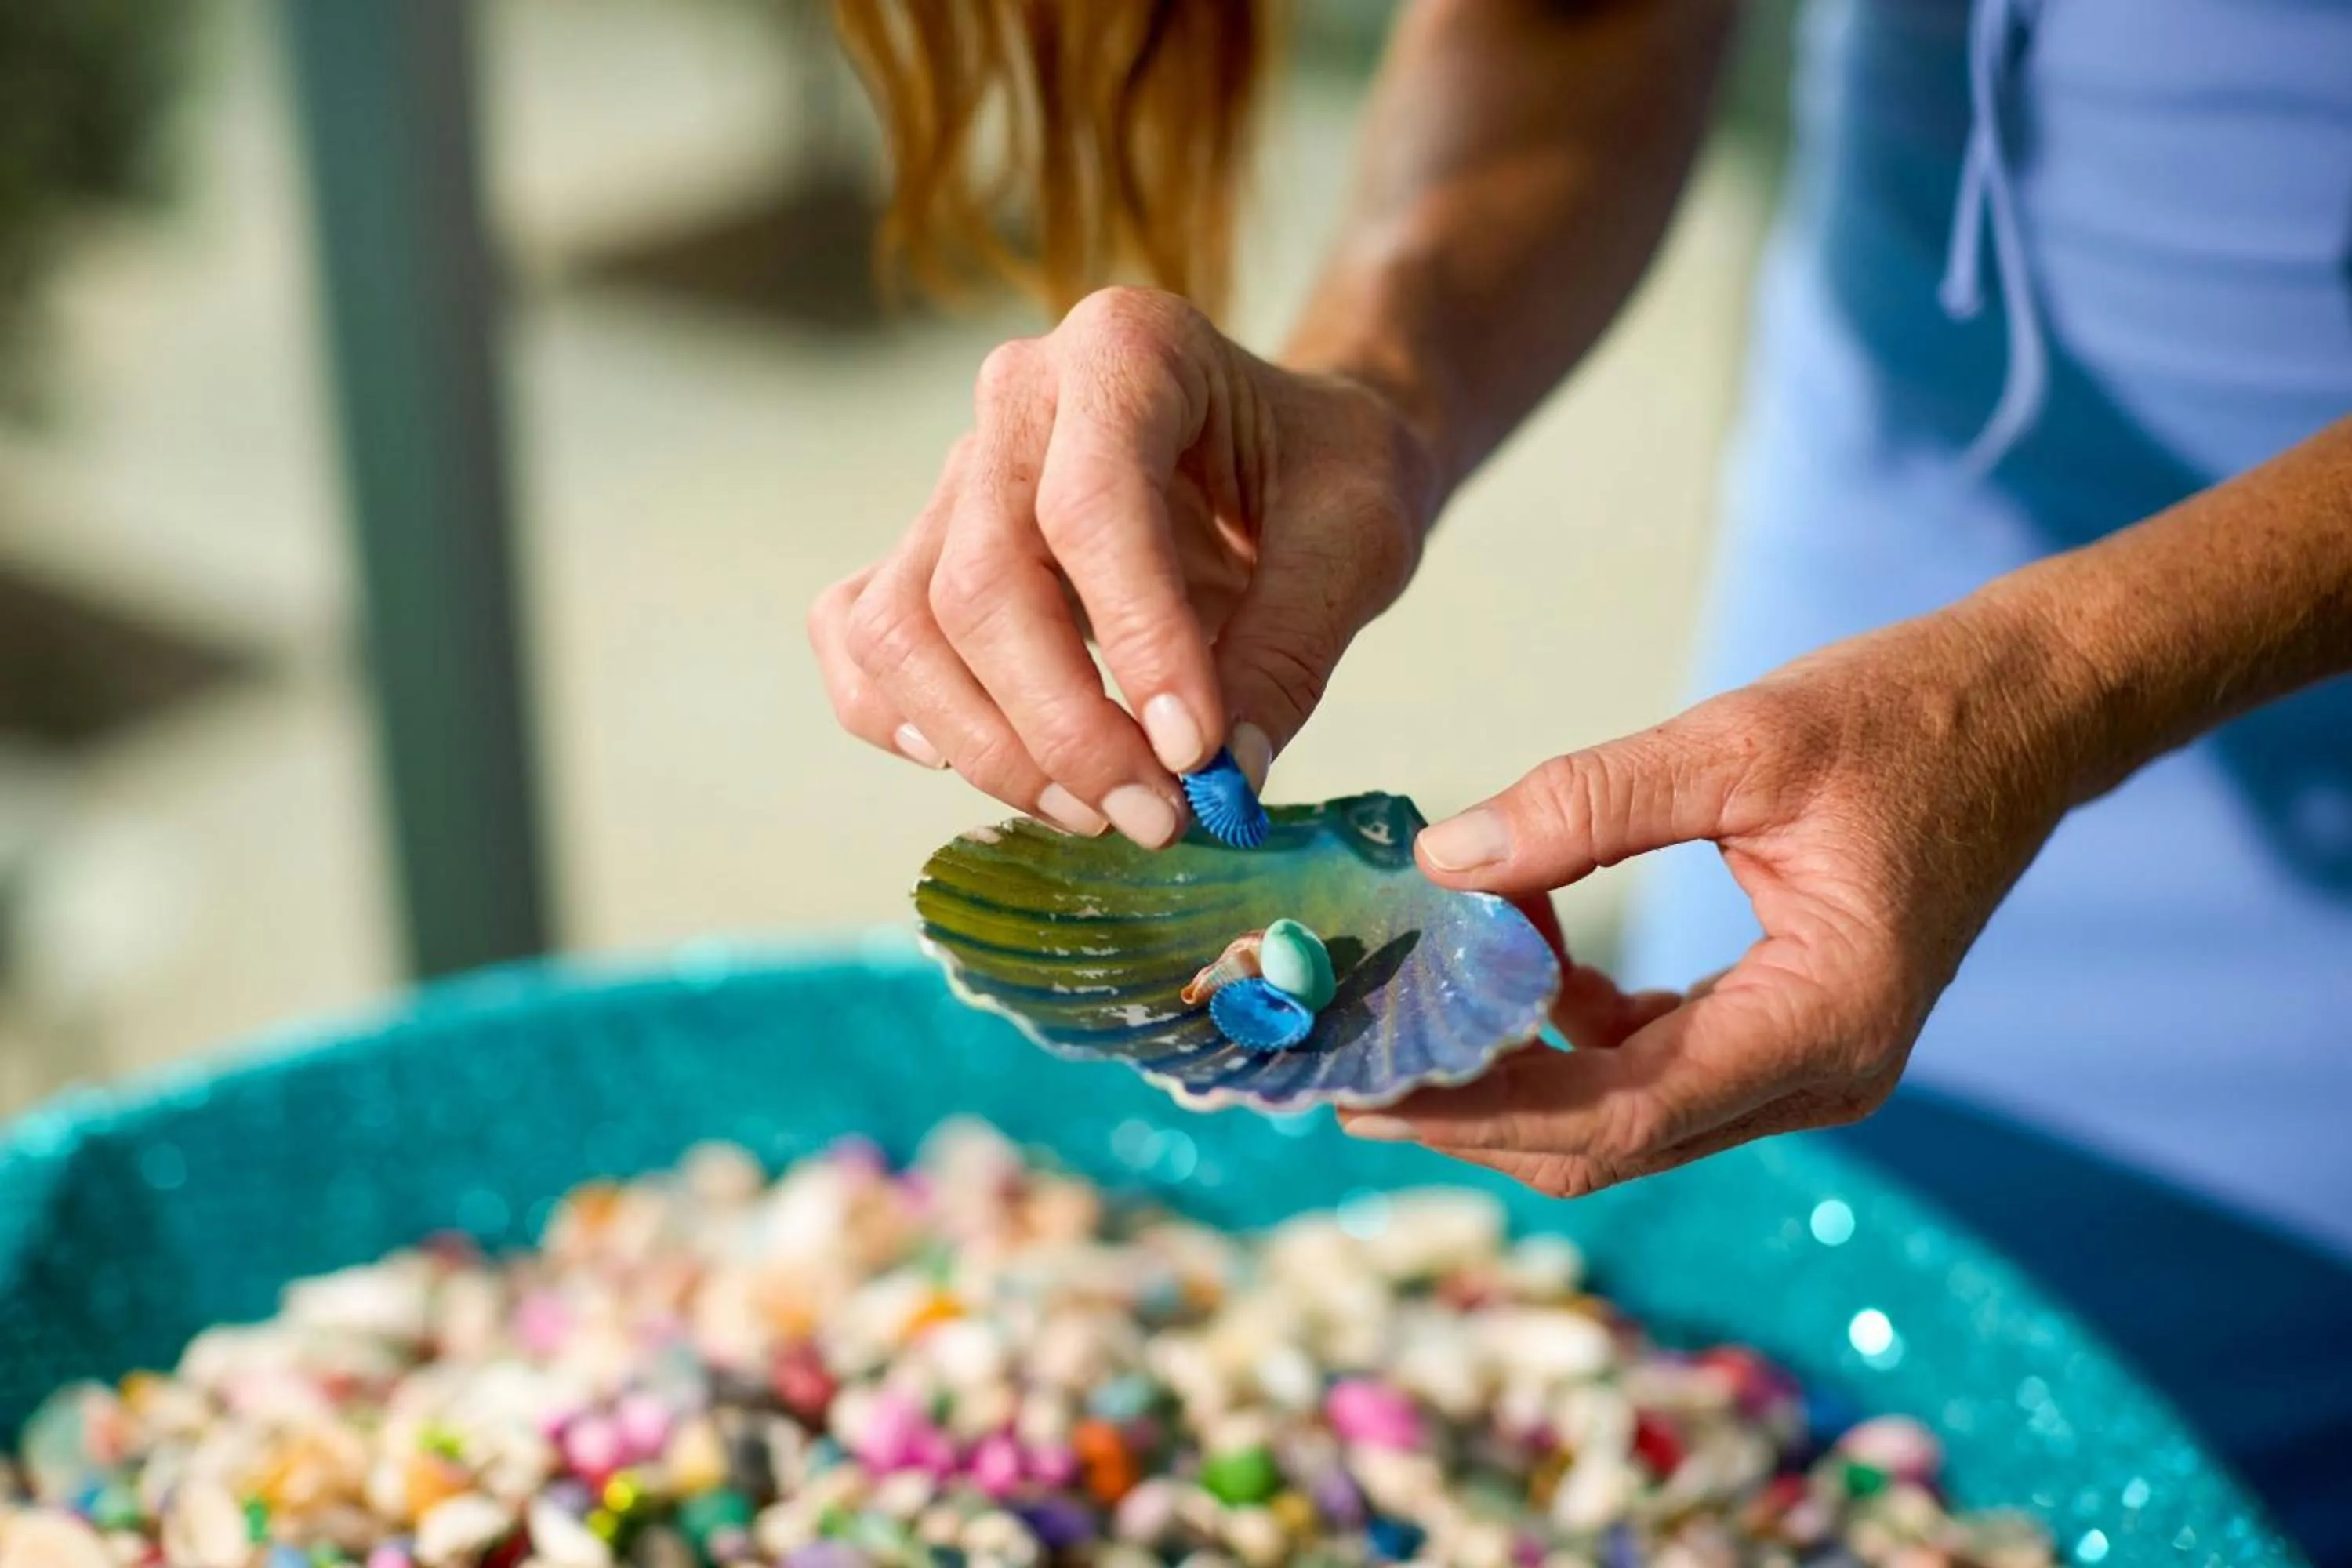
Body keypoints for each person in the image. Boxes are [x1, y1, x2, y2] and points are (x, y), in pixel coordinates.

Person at [807, 0, 2352, 1547]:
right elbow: (1580, 21)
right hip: (1895, 526)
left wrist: (2058, 681)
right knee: (1747, 1307)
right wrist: (1374, 388)